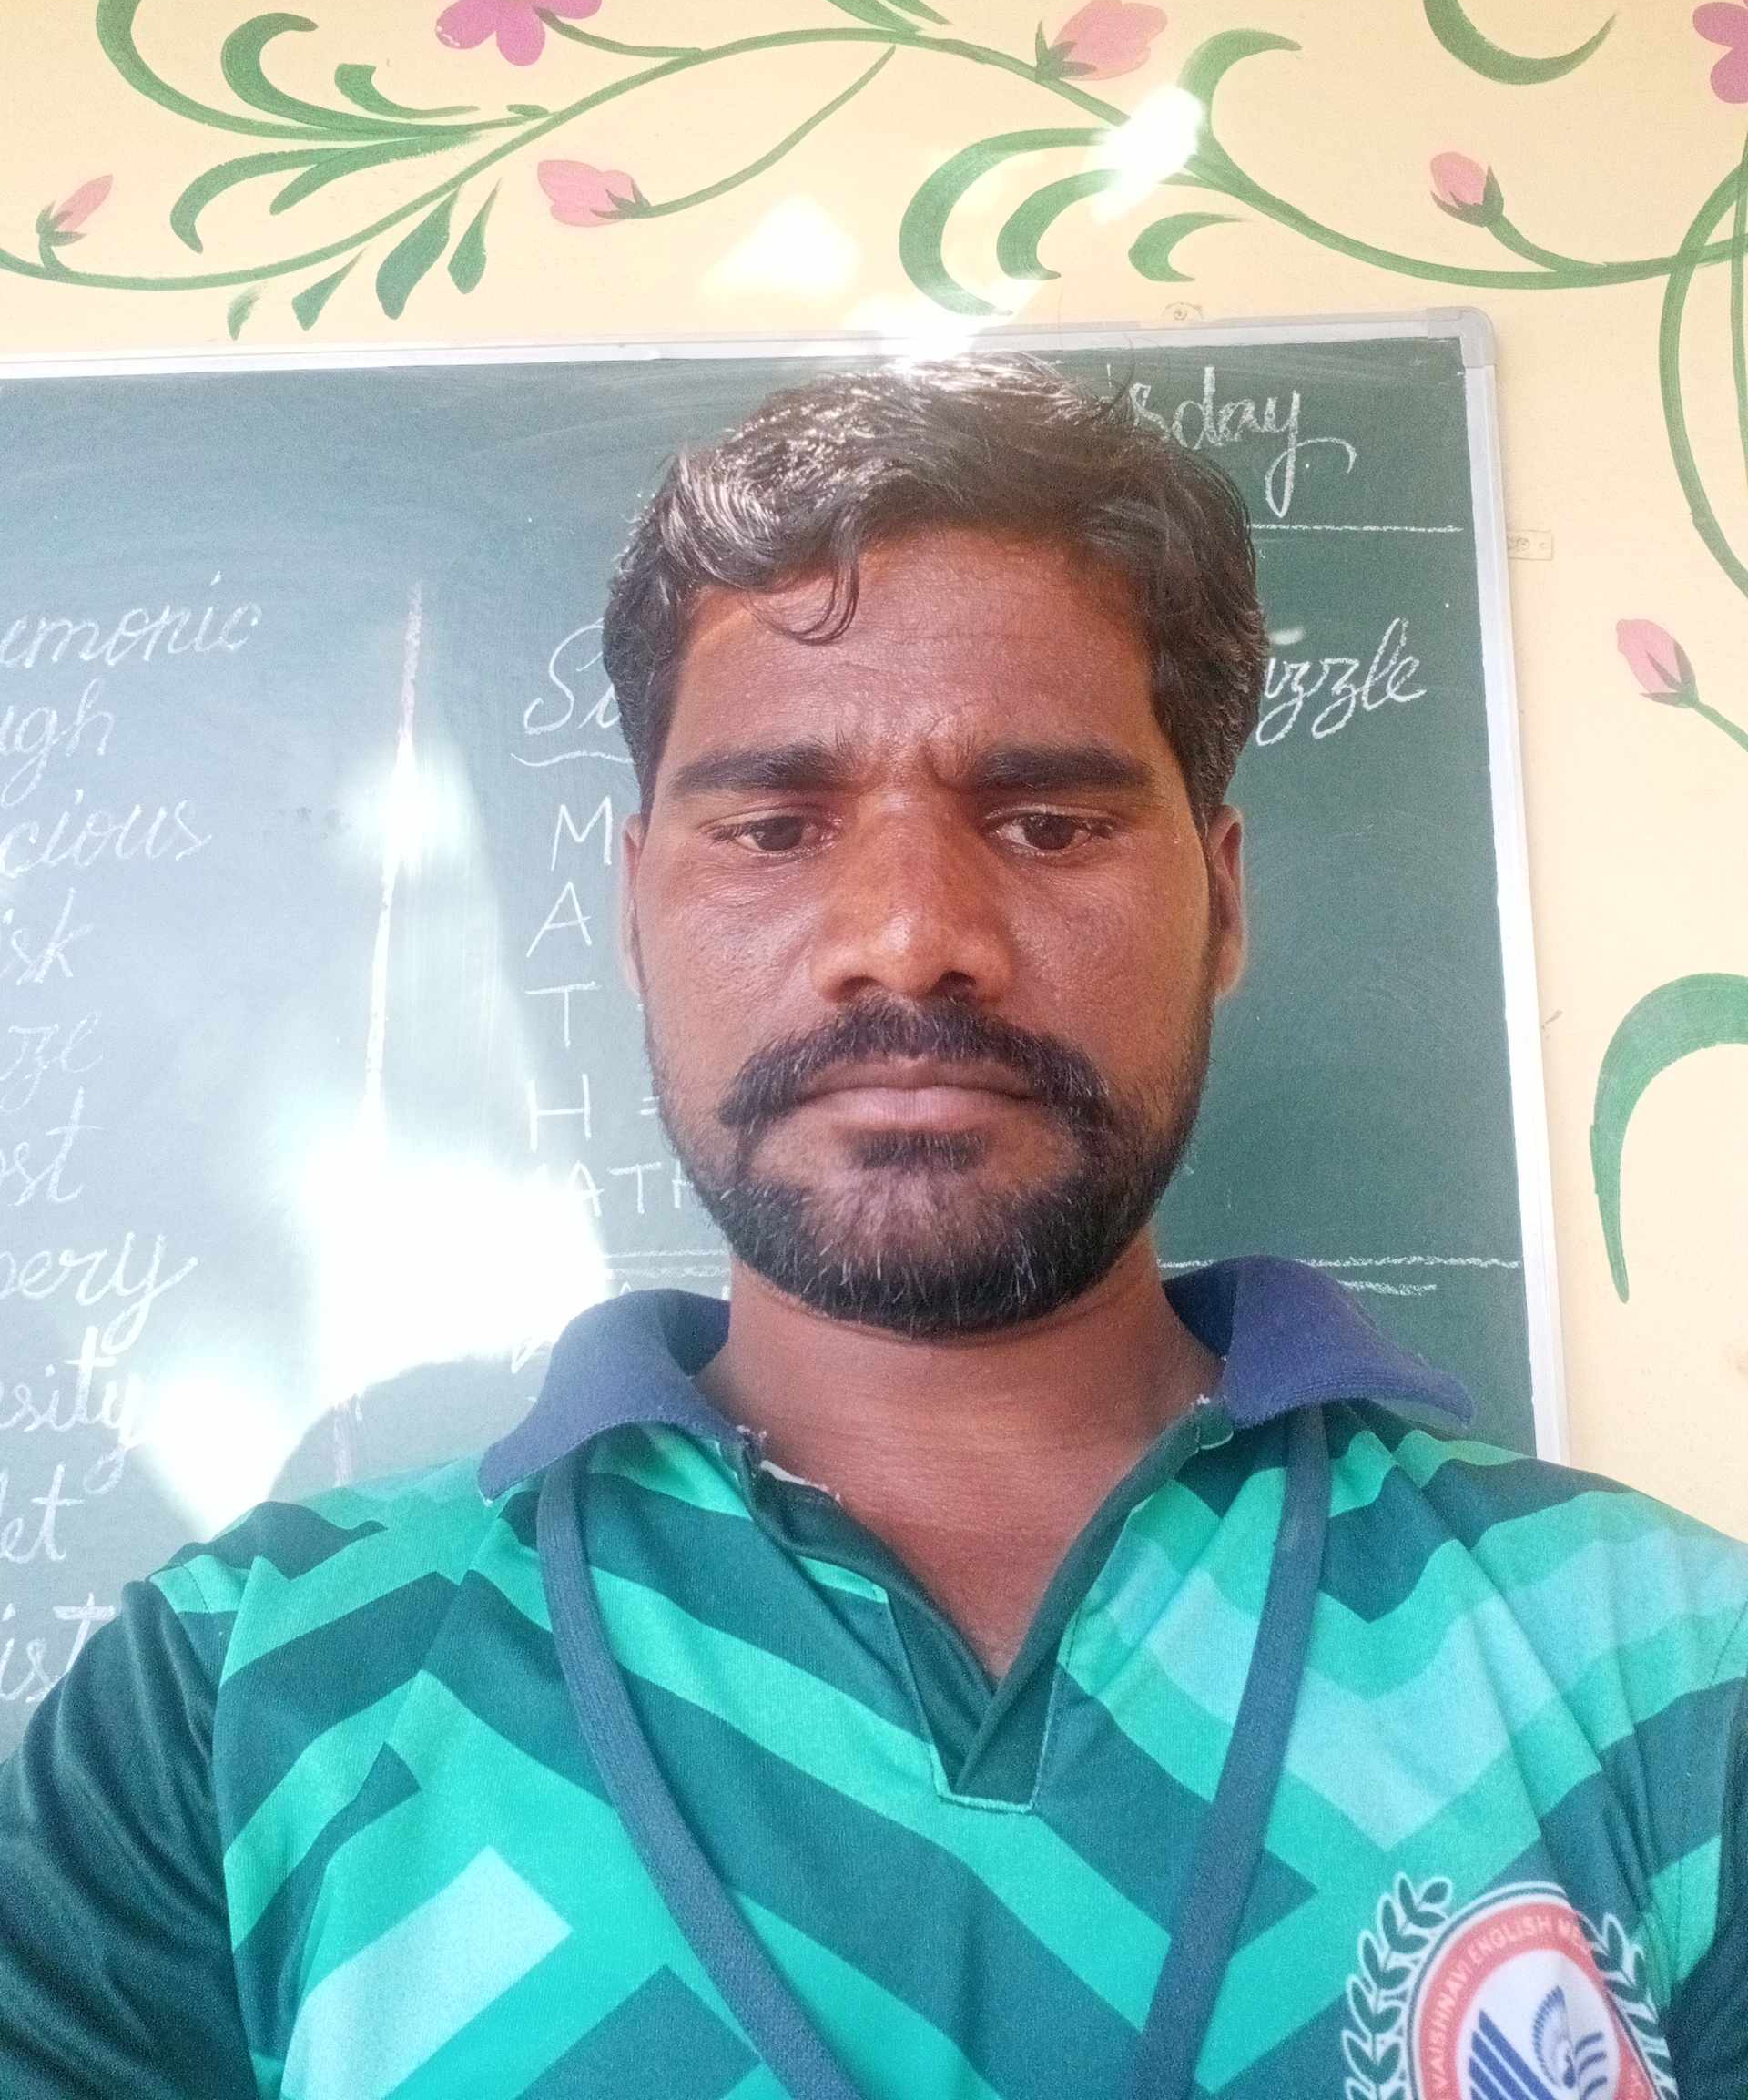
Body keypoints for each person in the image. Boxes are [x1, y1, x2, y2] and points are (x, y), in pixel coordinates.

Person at [2, 360, 1743, 2100]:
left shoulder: (1671, 1665)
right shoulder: (232, 1697)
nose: (910, 939)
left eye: (1048, 822)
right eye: (773, 828)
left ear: (1222, 900)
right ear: (632, 908)